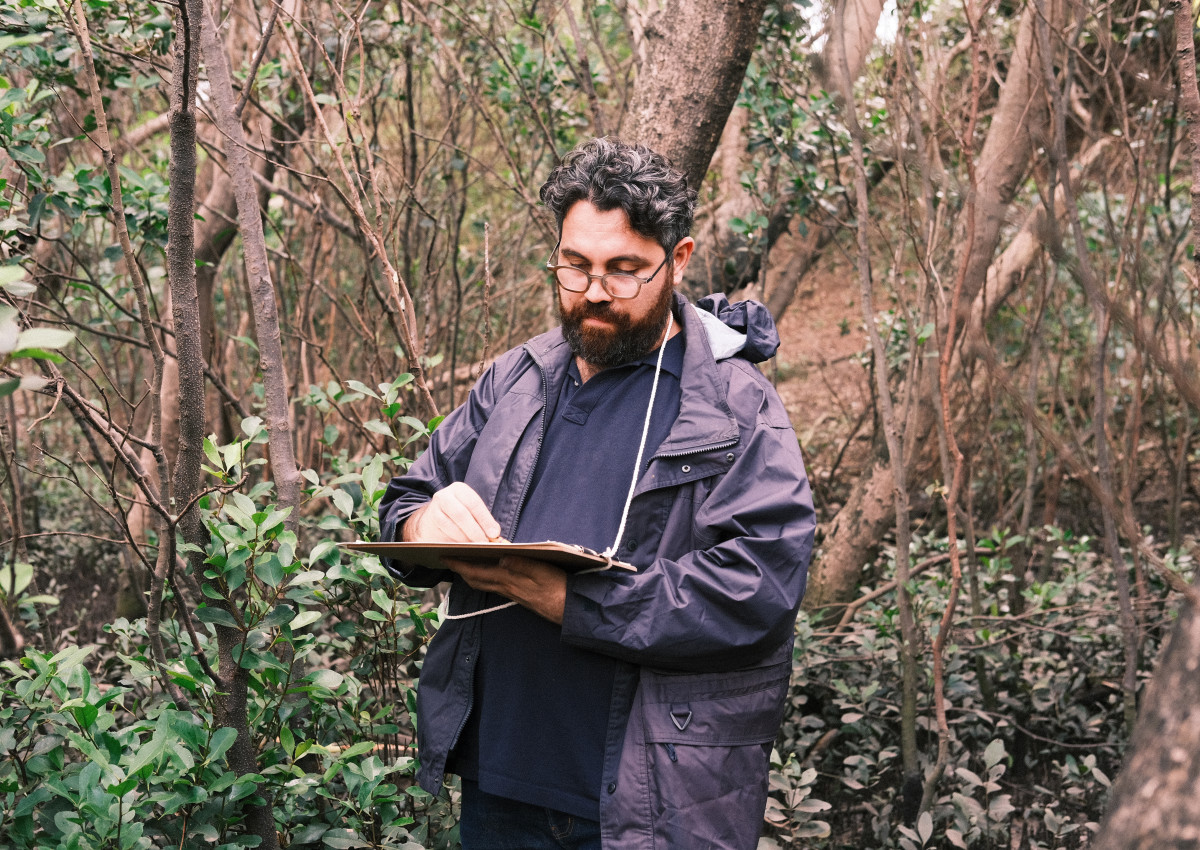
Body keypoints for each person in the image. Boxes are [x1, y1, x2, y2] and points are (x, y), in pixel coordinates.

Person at [379, 137, 815, 850]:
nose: (594, 293)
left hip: (648, 806)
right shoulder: (517, 379)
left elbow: (758, 590)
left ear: (676, 261)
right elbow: (404, 499)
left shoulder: (736, 407)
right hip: (499, 785)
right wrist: (422, 521)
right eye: (575, 266)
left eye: (624, 270)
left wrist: (567, 598)